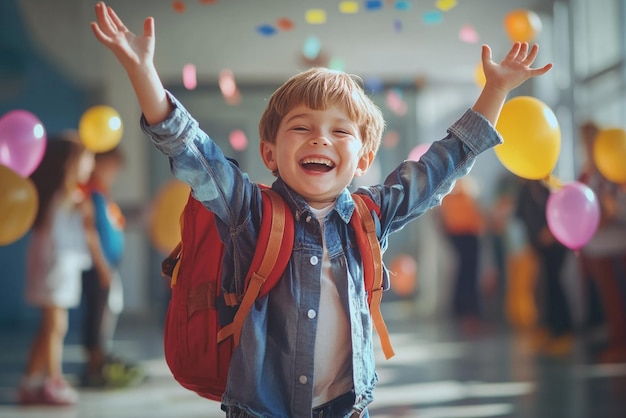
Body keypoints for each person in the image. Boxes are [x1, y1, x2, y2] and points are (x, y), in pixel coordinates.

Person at [90, 2, 552, 416]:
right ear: (269, 154)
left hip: (347, 408)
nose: (320, 139)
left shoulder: (371, 216)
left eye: (340, 132)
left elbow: (441, 166)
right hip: (260, 408)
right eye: (301, 127)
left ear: (364, 159)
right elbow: (197, 155)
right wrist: (143, 74)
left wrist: (496, 91)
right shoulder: (250, 213)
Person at [19, 132, 99, 405]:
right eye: (86, 159)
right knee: (56, 324)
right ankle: (54, 379)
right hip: (53, 268)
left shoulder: (68, 196)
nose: (90, 165)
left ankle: (30, 379)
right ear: (69, 163)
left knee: (49, 326)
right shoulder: (62, 194)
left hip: (58, 267)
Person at [79, 147, 144, 388]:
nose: (113, 173)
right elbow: (91, 233)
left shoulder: (102, 193)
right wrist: (102, 265)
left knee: (105, 312)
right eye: (111, 167)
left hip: (106, 266)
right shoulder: (88, 193)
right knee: (97, 314)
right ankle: (94, 364)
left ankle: (100, 358)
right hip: (98, 266)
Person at [577, 122, 626, 363]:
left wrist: (606, 216)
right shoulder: (590, 174)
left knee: (617, 300)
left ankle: (620, 345)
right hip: (597, 247)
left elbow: (614, 211)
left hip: (616, 246)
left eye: (589, 140)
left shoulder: (614, 170)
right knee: (610, 301)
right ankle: (616, 343)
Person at [515, 179, 574, 356]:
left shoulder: (552, 188)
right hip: (538, 247)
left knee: (555, 285)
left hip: (557, 246)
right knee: (542, 288)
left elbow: (564, 213)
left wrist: (552, 232)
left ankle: (563, 330)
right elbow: (521, 217)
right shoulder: (525, 191)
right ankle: (548, 327)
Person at [438, 176, 486, 334]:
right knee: (466, 275)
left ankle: (467, 312)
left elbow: (476, 215)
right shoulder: (450, 195)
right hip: (461, 236)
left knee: (468, 274)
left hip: (471, 236)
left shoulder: (466, 193)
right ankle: (466, 312)